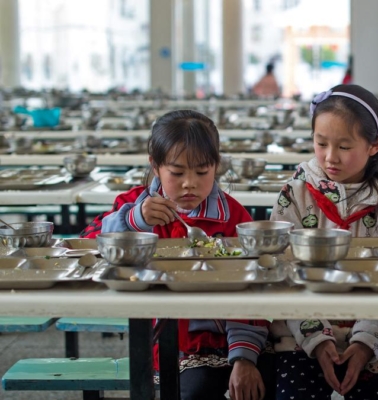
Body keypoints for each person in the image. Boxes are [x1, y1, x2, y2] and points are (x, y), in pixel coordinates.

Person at [80, 110, 275, 400]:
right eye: (177, 172)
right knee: (197, 391)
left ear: (216, 167)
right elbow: (89, 245)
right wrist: (134, 221)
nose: (189, 183)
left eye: (201, 172)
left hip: (231, 338)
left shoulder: (233, 217)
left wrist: (244, 357)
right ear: (155, 166)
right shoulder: (133, 205)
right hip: (168, 342)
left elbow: (253, 287)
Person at [268, 84, 378, 399]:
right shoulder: (294, 193)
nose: (330, 157)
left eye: (345, 147)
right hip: (300, 336)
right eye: (321, 143)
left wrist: (365, 344)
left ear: (374, 145)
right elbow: (282, 273)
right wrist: (318, 343)